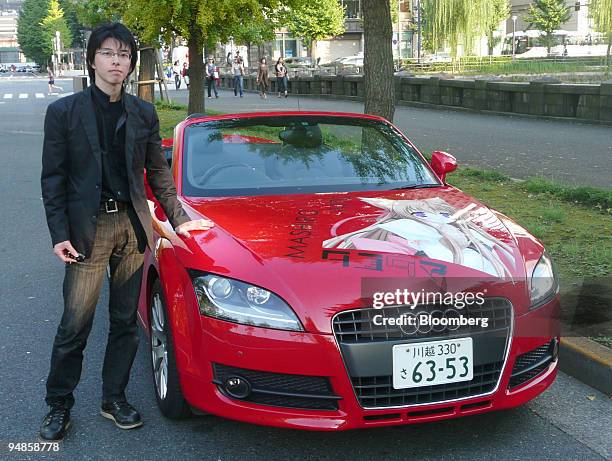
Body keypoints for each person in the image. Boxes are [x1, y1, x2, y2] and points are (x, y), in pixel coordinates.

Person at [39, 22, 214, 442]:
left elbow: (157, 173)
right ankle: (58, 403)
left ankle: (112, 398)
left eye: (123, 54)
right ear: (92, 59)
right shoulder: (63, 112)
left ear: (131, 63)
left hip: (133, 228)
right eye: (108, 53)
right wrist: (58, 233)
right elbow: (53, 179)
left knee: (123, 321)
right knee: (74, 323)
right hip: (87, 231)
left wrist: (181, 219)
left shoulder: (144, 113)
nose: (116, 61)